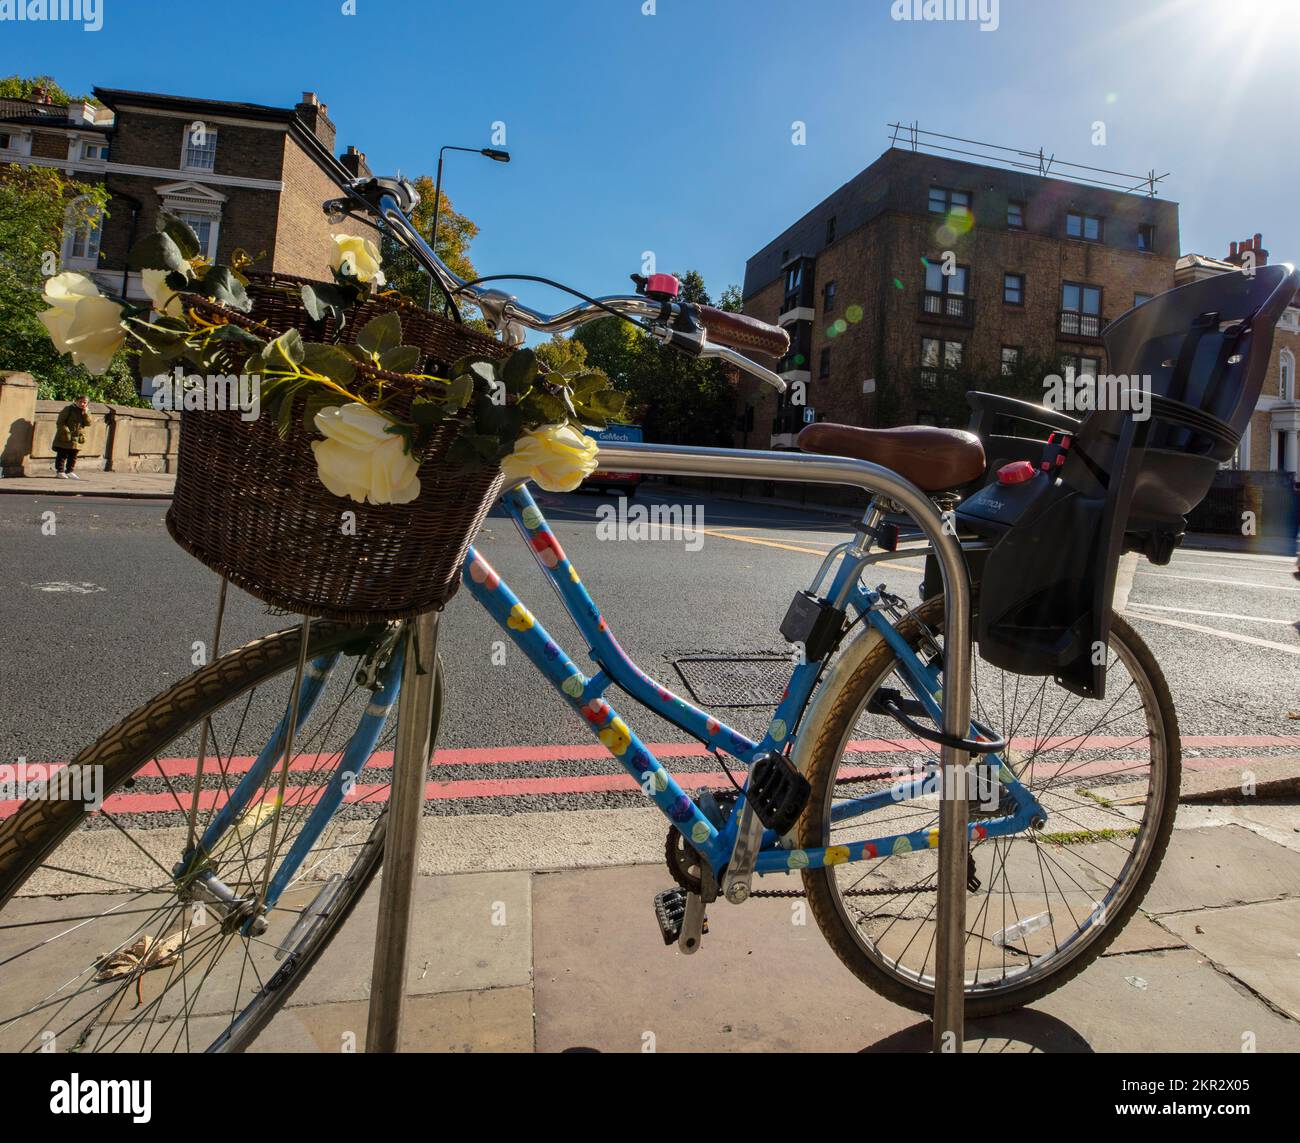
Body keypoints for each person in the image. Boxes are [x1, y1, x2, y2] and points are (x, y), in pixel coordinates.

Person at [53, 395, 92, 480]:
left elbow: (88, 423)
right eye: (80, 402)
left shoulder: (86, 411)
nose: (82, 404)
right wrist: (65, 431)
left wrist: (85, 413)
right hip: (66, 435)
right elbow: (60, 422)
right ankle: (60, 471)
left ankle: (70, 471)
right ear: (76, 401)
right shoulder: (68, 409)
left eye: (84, 402)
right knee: (62, 453)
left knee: (73, 455)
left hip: (78, 436)